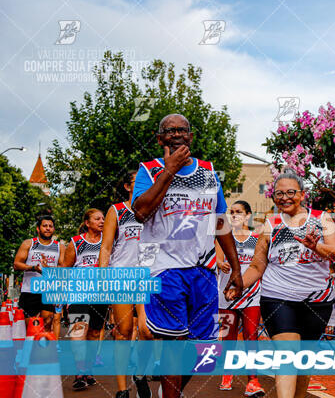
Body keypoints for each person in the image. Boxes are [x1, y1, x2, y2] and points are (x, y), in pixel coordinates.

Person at [132, 113, 243, 398]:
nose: (177, 134)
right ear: (160, 139)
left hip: (203, 270)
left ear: (191, 137)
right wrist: (169, 170)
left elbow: (220, 222)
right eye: (169, 131)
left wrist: (236, 269)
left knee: (205, 354)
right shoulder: (149, 170)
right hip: (165, 270)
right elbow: (141, 212)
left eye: (183, 130)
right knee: (174, 343)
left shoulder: (208, 171)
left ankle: (169, 391)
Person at [226, 169, 335, 398]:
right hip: (278, 298)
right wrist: (239, 286)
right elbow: (258, 266)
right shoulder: (270, 225)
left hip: (316, 301)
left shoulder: (321, 218)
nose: (285, 198)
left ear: (302, 194)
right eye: (279, 194)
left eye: (290, 192)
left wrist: (314, 246)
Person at [98, 171, 153, 398]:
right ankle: (122, 390)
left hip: (147, 277)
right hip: (121, 277)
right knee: (123, 333)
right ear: (127, 187)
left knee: (148, 331)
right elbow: (106, 247)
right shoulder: (117, 210)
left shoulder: (153, 209)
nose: (142, 185)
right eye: (137, 182)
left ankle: (139, 374)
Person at [215, 200, 265, 396]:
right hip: (226, 295)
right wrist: (220, 264)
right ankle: (227, 374)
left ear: (248, 216)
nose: (234, 215)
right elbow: (217, 258)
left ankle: (253, 380)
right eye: (231, 212)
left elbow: (260, 266)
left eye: (238, 212)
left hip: (252, 294)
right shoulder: (223, 237)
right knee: (228, 337)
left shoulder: (257, 238)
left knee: (251, 336)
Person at [63, 208, 106, 391]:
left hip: (101, 294)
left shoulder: (108, 242)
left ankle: (88, 370)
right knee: (79, 330)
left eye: (103, 218)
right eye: (97, 219)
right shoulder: (76, 243)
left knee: (95, 333)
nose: (102, 221)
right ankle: (79, 372)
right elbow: (65, 268)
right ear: (87, 223)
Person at [13, 215, 65, 332]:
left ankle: (42, 349)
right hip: (30, 290)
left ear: (54, 229)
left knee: (47, 324)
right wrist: (33, 268)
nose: (48, 228)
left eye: (50, 226)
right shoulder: (29, 243)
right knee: (31, 327)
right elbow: (16, 264)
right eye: (45, 226)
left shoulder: (59, 247)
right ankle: (30, 349)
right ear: (38, 228)